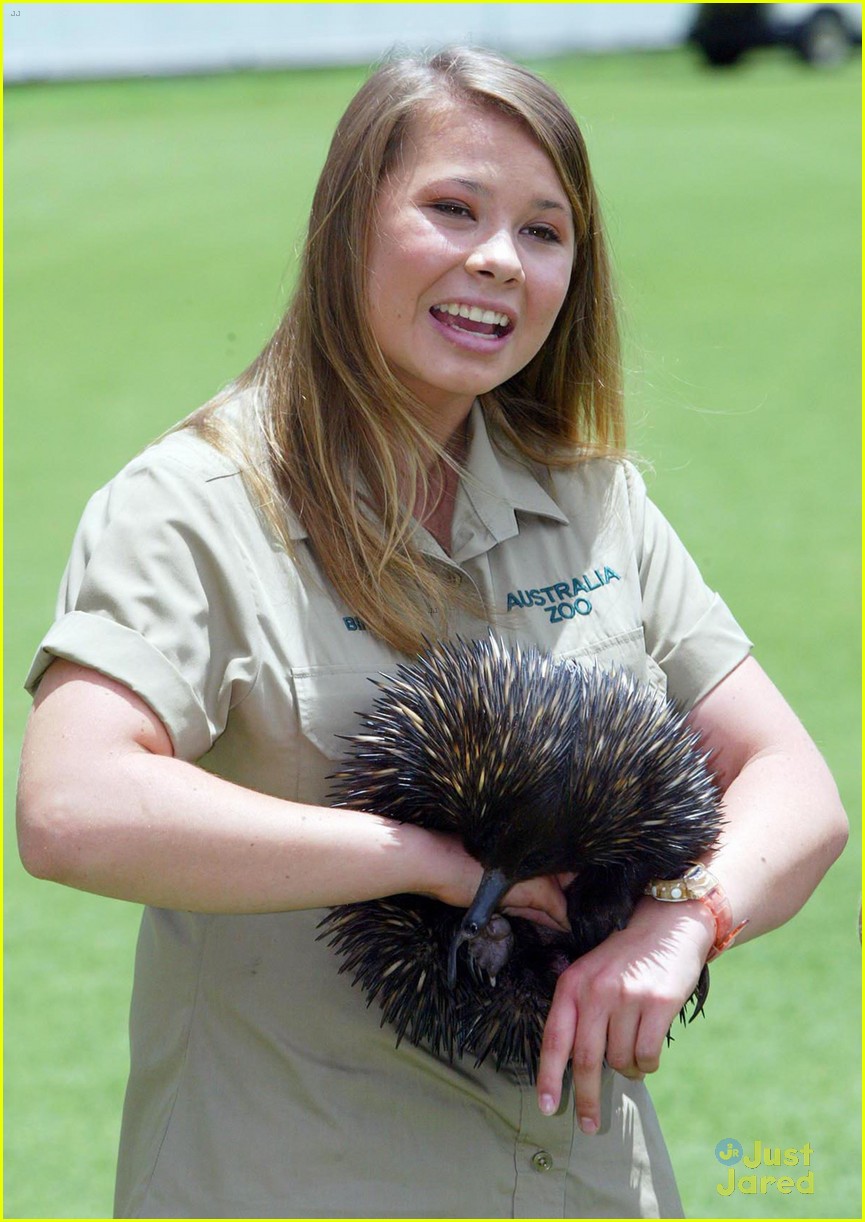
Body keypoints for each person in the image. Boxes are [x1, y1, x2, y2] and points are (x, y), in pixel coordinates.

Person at [17, 47, 847, 1220]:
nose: (498, 260)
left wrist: (684, 923)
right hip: (295, 1183)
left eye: (543, 231)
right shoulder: (192, 507)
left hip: (589, 1187)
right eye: (451, 208)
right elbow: (72, 808)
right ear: (349, 223)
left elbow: (797, 787)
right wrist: (424, 862)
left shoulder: (597, 501)